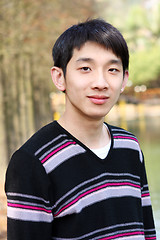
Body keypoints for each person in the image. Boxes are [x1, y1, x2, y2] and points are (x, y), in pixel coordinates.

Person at [5, 18, 156, 240]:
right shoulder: (33, 162)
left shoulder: (129, 146)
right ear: (59, 77)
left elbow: (147, 231)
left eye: (112, 69)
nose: (101, 82)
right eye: (85, 68)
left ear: (124, 79)